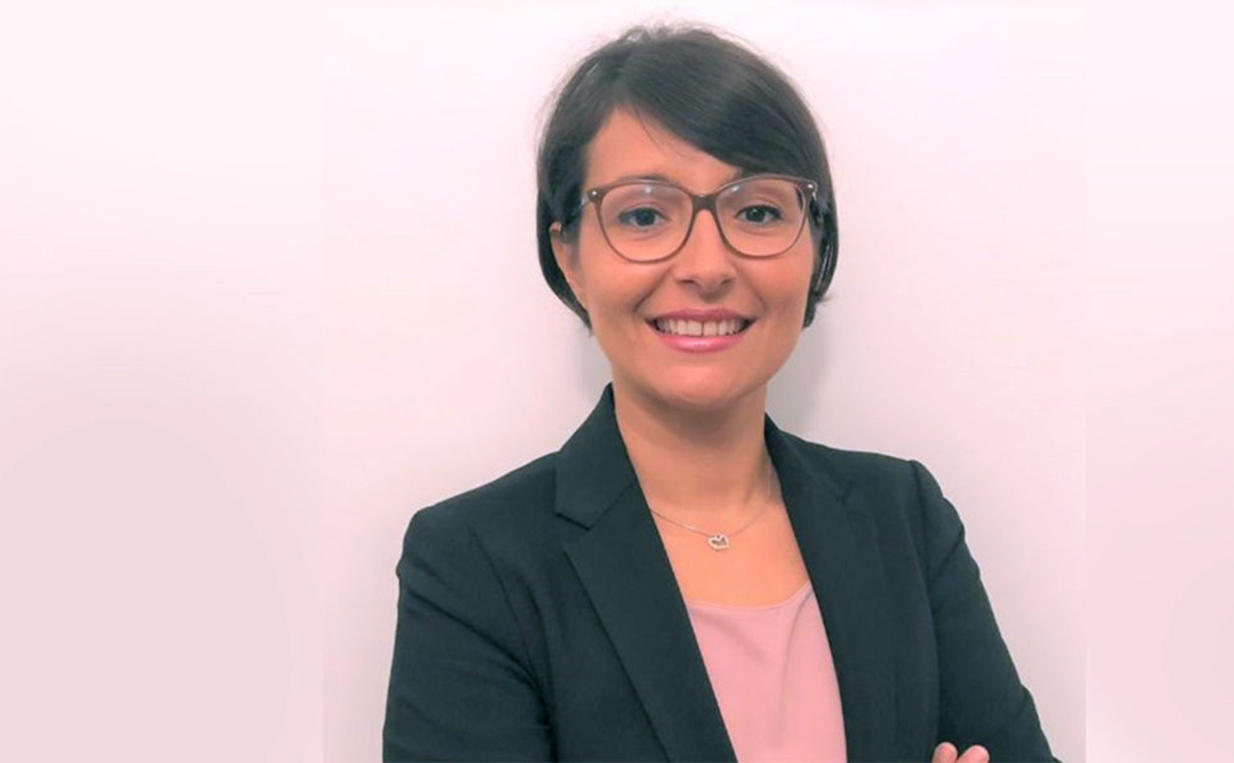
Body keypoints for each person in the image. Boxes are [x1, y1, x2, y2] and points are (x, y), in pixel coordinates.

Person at [383, 23, 1058, 763]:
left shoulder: (903, 517)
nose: (707, 266)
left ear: (814, 248)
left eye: (757, 211)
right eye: (644, 214)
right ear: (568, 256)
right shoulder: (473, 563)